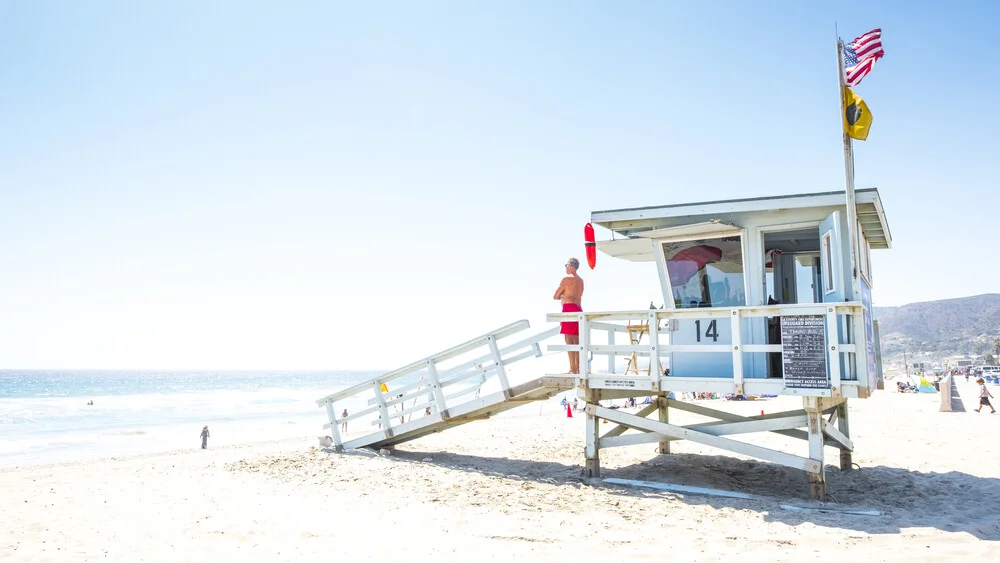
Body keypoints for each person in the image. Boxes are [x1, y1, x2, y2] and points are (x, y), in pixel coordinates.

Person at [553, 257, 584, 374]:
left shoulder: (566, 279)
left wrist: (563, 296)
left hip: (568, 308)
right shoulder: (581, 281)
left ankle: (572, 369)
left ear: (571, 266)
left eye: (566, 265)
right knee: (576, 340)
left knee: (568, 339)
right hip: (579, 309)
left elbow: (555, 296)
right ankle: (578, 368)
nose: (566, 267)